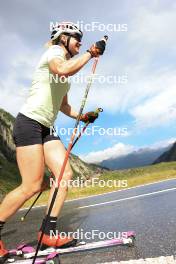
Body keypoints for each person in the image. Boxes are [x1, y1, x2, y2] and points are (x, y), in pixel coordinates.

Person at [0, 21, 106, 260]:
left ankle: (48, 233)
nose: (80, 41)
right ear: (63, 38)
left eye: (81, 38)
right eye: (76, 37)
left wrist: (83, 116)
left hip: (46, 127)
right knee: (32, 185)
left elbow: (63, 105)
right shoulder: (55, 53)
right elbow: (62, 69)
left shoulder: (65, 65)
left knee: (64, 175)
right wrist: (90, 53)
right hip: (29, 122)